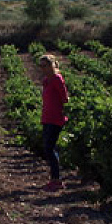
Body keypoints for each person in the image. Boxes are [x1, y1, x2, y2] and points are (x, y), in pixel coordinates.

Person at [37, 54, 69, 192]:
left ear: (52, 65)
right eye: (41, 66)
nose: (43, 68)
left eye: (46, 65)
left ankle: (56, 179)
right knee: (48, 148)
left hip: (56, 119)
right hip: (47, 118)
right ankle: (54, 178)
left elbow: (65, 98)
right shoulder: (46, 81)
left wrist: (64, 112)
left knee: (50, 148)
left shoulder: (57, 79)